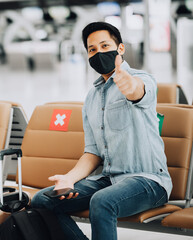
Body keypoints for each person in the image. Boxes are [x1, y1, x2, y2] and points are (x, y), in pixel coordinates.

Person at [31, 22, 172, 240]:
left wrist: (130, 86)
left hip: (149, 181)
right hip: (108, 180)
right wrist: (69, 179)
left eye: (105, 46)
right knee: (43, 200)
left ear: (121, 49)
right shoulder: (92, 98)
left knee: (102, 201)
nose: (99, 53)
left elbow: (138, 92)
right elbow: (93, 152)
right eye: (92, 50)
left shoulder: (143, 79)